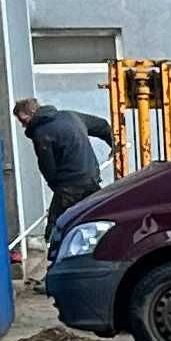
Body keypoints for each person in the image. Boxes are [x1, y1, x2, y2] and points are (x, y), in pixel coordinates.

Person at [15, 94, 116, 245]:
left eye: (23, 121)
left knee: (55, 229)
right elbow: (102, 126)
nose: (23, 126)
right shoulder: (70, 116)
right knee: (99, 218)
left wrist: (58, 189)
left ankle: (55, 261)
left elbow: (48, 168)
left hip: (69, 186)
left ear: (29, 115)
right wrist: (114, 145)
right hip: (91, 178)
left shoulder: (41, 133)